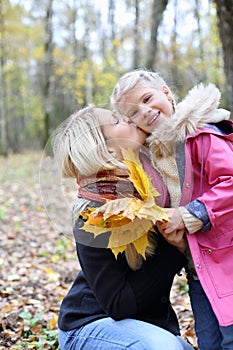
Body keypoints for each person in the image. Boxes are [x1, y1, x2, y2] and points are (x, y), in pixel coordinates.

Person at [52, 105, 194, 350]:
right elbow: (117, 304)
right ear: (108, 148)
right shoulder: (94, 212)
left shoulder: (149, 183)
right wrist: (175, 250)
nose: (128, 120)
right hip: (89, 325)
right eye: (117, 121)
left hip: (145, 325)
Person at [111, 68, 233, 350]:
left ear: (166, 92)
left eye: (147, 98)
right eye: (133, 113)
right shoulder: (156, 157)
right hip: (199, 269)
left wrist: (191, 214)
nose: (145, 111)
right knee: (210, 342)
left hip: (226, 261)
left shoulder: (201, 135)